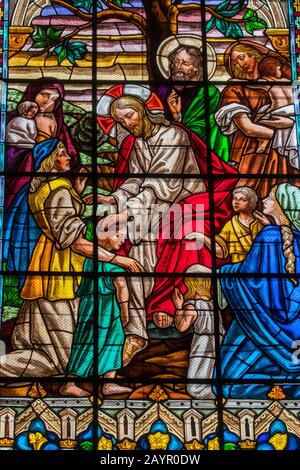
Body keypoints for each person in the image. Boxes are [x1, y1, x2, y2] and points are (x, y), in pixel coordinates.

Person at [96, 85, 237, 365]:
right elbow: (135, 180)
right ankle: (136, 331)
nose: (127, 124)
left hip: (187, 203)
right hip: (153, 207)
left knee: (145, 237)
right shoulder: (137, 143)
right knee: (132, 256)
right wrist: (113, 197)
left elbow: (163, 183)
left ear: (142, 111)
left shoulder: (174, 134)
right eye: (121, 121)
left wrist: (125, 214)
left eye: (129, 117)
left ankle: (166, 304)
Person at [0, 138, 143, 378]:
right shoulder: (59, 191)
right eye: (63, 154)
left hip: (44, 265)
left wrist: (75, 192)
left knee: (39, 345)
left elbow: (55, 220)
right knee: (63, 363)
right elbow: (75, 242)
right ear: (50, 161)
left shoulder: (40, 188)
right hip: (59, 273)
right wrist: (118, 260)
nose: (69, 158)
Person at [216, 183, 300, 399]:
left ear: (282, 207)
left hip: (264, 320)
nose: (266, 201)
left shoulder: (270, 236)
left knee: (228, 381)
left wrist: (223, 272)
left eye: (271, 198)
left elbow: (250, 277)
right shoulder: (295, 237)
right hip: (294, 326)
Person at [4, 81, 79, 274]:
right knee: (24, 222)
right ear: (33, 94)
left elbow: (68, 149)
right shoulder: (18, 119)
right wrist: (38, 154)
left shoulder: (57, 121)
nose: (49, 101)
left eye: (55, 98)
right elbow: (11, 150)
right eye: (44, 95)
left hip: (52, 178)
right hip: (26, 178)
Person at [61, 217, 132, 397]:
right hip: (105, 306)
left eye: (124, 235)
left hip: (94, 305)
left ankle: (107, 382)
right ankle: (70, 382)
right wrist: (125, 311)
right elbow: (121, 286)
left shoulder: (90, 259)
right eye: (118, 234)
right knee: (92, 340)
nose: (123, 238)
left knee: (111, 340)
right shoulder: (112, 262)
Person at [215, 40, 295, 198]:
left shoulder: (280, 83)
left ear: (255, 56)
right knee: (247, 193)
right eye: (234, 62)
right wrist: (285, 136)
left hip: (282, 152)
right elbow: (248, 128)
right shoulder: (234, 89)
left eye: (242, 57)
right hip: (252, 151)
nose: (239, 63)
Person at [156, 35, 229, 162]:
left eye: (184, 63)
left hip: (200, 153)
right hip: (164, 151)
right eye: (175, 61)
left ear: (197, 68)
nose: (177, 67)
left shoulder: (209, 92)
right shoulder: (163, 90)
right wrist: (174, 118)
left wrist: (178, 118)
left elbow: (203, 126)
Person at [173, 265, 224, 399]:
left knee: (195, 384)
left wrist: (178, 307)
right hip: (219, 341)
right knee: (213, 367)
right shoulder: (214, 304)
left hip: (202, 343)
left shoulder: (192, 305)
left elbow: (181, 327)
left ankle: (206, 391)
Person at [256, 57, 298, 169]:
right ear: (272, 69)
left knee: (259, 117)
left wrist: (237, 81)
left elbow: (250, 85)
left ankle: (263, 141)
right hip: (292, 111)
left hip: (279, 112)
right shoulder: (287, 81)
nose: (280, 72)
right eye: (279, 69)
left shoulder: (265, 82)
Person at [204, 187, 264, 263]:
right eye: (235, 198)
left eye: (243, 200)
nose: (236, 202)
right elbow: (221, 252)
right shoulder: (230, 225)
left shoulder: (261, 225)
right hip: (238, 269)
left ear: (252, 203)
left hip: (261, 267)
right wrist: (202, 238)